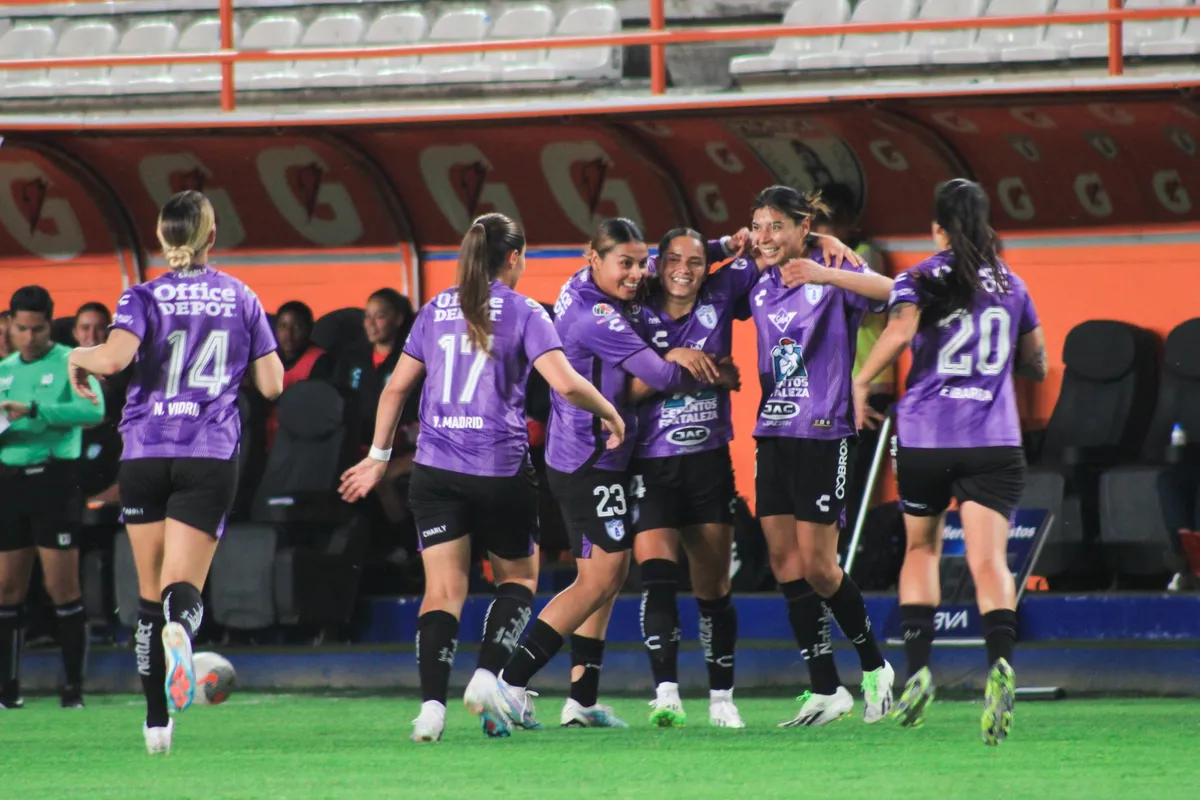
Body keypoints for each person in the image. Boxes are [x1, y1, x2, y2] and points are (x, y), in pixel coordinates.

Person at [338, 213, 626, 743]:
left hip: (434, 471)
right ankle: (489, 678)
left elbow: (395, 388)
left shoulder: (434, 310)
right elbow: (564, 384)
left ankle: (430, 709)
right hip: (498, 470)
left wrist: (379, 456)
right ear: (514, 258)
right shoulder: (525, 312)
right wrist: (609, 411)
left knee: (442, 591)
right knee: (518, 579)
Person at [481, 218, 737, 735]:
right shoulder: (593, 312)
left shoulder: (594, 284)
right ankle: (510, 681)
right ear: (592, 258)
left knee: (605, 577)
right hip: (587, 460)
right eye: (627, 263)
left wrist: (725, 245)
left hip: (605, 457)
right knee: (600, 576)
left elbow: (676, 259)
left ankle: (580, 700)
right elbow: (662, 376)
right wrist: (695, 361)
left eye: (643, 263)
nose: (638, 274)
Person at [67, 190, 284, 754]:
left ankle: (157, 725)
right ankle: (182, 632)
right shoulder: (240, 296)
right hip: (207, 452)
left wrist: (75, 357)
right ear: (211, 238)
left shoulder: (139, 296)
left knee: (145, 596)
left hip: (144, 452)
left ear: (161, 239)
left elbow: (111, 361)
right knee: (180, 589)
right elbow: (272, 385)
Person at [852, 178, 1047, 745]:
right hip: (994, 438)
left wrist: (863, 381)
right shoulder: (1013, 284)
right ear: (988, 226)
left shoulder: (918, 278)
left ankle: (917, 670)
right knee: (989, 560)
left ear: (936, 228)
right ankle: (1000, 664)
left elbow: (902, 328)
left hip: (926, 436)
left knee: (922, 548)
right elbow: (1035, 361)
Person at [746, 185, 897, 727]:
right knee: (785, 563)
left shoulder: (833, 273)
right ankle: (824, 689)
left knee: (818, 565)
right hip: (772, 433)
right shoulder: (757, 280)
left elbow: (892, 291)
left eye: (776, 227)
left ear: (801, 229)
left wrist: (826, 268)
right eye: (758, 226)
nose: (765, 237)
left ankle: (876, 667)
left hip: (823, 432)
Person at [0, 286, 105, 710]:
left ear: (50, 322)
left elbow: (94, 411)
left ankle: (73, 689)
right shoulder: (4, 368)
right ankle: (8, 691)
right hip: (9, 480)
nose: (29, 337)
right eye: (21, 328)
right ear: (10, 324)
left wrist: (37, 412)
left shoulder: (71, 361)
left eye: (37, 328)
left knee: (61, 585)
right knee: (7, 587)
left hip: (54, 479)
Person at [811, 187, 895, 541]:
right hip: (829, 389)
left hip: (868, 385)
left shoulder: (866, 255)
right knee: (824, 480)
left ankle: (850, 555)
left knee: (855, 481)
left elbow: (857, 310)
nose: (821, 234)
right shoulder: (812, 264)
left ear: (847, 224)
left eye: (826, 225)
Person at [266, 301, 332, 451]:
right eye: (283, 326)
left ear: (309, 329)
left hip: (299, 444)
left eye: (296, 327)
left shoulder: (320, 361)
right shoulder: (267, 358)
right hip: (266, 440)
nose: (288, 334)